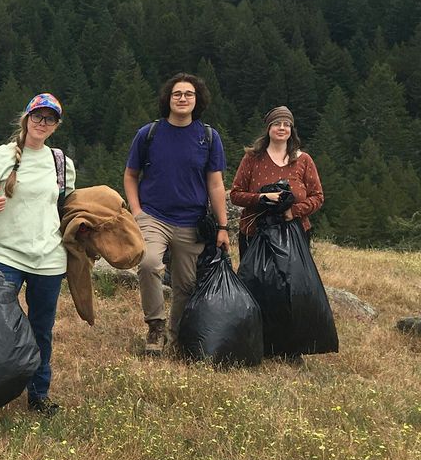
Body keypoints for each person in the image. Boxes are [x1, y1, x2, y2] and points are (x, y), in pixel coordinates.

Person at [0, 94, 76, 415]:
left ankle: (38, 395)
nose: (42, 123)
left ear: (56, 126)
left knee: (41, 329)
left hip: (50, 260)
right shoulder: (0, 157)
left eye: (49, 119)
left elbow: (65, 206)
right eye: (37, 116)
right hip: (4, 255)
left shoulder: (61, 163)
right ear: (25, 118)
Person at [123, 73, 229, 356]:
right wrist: (136, 211)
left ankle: (176, 335)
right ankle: (155, 327)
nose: (182, 98)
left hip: (192, 220)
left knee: (185, 284)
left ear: (197, 101)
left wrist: (223, 227)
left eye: (188, 94)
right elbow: (131, 175)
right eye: (177, 94)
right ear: (168, 99)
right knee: (148, 264)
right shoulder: (149, 134)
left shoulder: (208, 137)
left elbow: (216, 184)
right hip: (153, 216)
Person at [230, 106, 324, 255]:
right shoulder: (252, 158)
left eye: (286, 125)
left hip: (295, 234)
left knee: (293, 279)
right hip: (254, 234)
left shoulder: (304, 160)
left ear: (291, 130)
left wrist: (293, 211)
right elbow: (235, 194)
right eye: (277, 124)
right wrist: (262, 198)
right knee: (255, 278)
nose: (282, 128)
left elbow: (317, 197)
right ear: (268, 128)